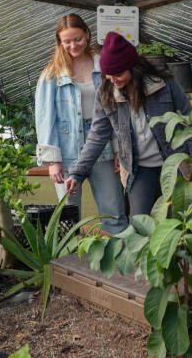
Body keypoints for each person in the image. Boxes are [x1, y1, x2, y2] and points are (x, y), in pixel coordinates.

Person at [65, 32, 192, 217]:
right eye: (108, 75)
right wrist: (77, 173)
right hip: (138, 168)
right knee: (140, 224)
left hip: (174, 164)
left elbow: (188, 120)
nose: (113, 80)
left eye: (118, 74)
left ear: (134, 68)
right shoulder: (106, 93)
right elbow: (97, 136)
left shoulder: (164, 85)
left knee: (178, 222)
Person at [35, 14, 127, 234]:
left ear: (87, 34)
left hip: (102, 146)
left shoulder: (103, 68)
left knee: (114, 210)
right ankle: (70, 265)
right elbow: (45, 118)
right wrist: (52, 160)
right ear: (59, 42)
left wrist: (118, 148)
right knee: (68, 216)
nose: (73, 45)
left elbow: (116, 110)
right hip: (67, 151)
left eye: (77, 39)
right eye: (66, 41)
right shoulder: (52, 75)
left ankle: (123, 261)